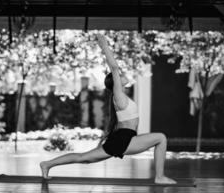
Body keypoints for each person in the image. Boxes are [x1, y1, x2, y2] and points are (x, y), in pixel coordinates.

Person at [40, 34, 176, 184]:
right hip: (124, 139)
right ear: (115, 82)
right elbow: (114, 68)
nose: (122, 75)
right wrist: (104, 46)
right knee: (161, 138)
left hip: (121, 138)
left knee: (83, 158)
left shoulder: (119, 99)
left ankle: (47, 164)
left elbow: (118, 124)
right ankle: (159, 177)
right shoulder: (118, 95)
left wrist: (105, 138)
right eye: (119, 76)